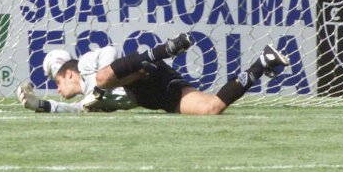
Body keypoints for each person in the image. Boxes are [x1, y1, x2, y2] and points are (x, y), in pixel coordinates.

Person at [17, 37, 288, 115]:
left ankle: (164, 50)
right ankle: (263, 62)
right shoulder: (90, 100)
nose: (56, 89)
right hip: (154, 94)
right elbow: (75, 110)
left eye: (55, 82)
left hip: (144, 72)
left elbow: (112, 54)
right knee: (211, 109)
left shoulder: (87, 65)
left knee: (102, 79)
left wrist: (98, 92)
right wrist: (38, 104)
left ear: (65, 72)